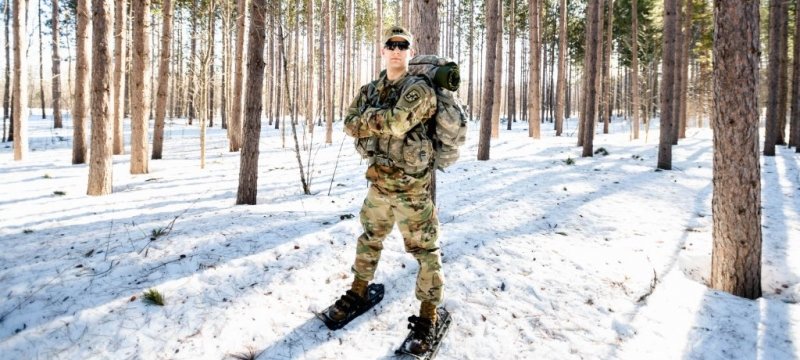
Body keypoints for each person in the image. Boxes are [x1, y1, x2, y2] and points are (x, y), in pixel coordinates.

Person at [327, 26, 444, 354]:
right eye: (390, 45)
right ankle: (359, 290)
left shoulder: (419, 88)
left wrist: (369, 118)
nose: (396, 50)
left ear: (410, 51)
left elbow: (397, 123)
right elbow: (350, 123)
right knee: (369, 241)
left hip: (412, 191)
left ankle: (428, 316)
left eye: (402, 45)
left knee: (425, 253)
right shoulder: (369, 89)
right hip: (379, 184)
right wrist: (375, 118)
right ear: (382, 50)